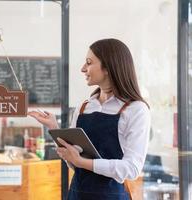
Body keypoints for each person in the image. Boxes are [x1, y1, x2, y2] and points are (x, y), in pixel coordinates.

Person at [28, 38, 151, 200]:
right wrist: (53, 127)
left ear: (108, 67)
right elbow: (74, 163)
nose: (83, 69)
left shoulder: (136, 109)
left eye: (89, 62)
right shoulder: (84, 106)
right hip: (76, 194)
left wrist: (83, 162)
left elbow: (132, 169)